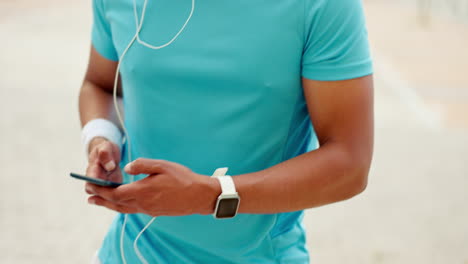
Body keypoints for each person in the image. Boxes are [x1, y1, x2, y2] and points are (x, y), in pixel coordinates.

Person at [79, 0, 374, 263]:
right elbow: (100, 84)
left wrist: (211, 196)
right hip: (129, 254)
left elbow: (350, 163)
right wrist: (101, 137)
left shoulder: (324, 6)